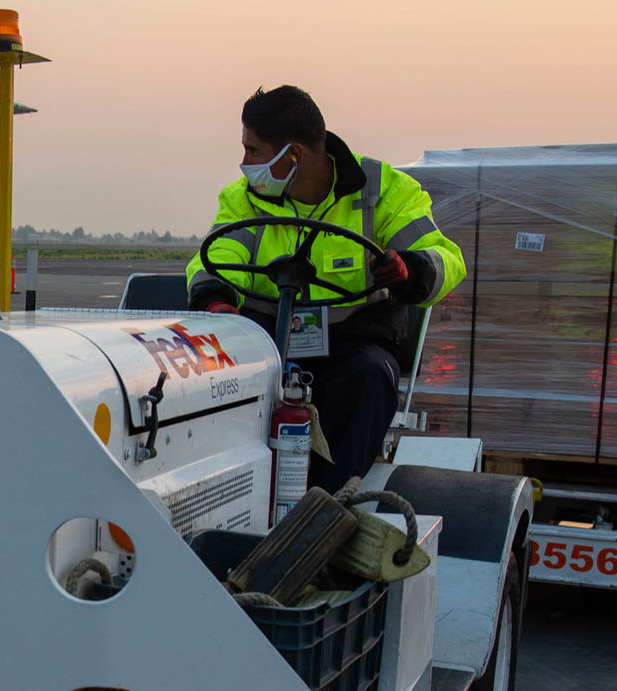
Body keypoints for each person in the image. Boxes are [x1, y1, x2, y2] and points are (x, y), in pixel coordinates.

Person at [185, 85, 463, 492]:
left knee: (370, 377)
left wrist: (410, 271)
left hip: (351, 348)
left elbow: (446, 258)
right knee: (214, 379)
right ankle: (227, 492)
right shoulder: (245, 198)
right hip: (267, 344)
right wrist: (215, 301)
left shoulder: (382, 191)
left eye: (254, 151)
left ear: (292, 155)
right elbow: (219, 255)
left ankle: (326, 509)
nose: (244, 163)